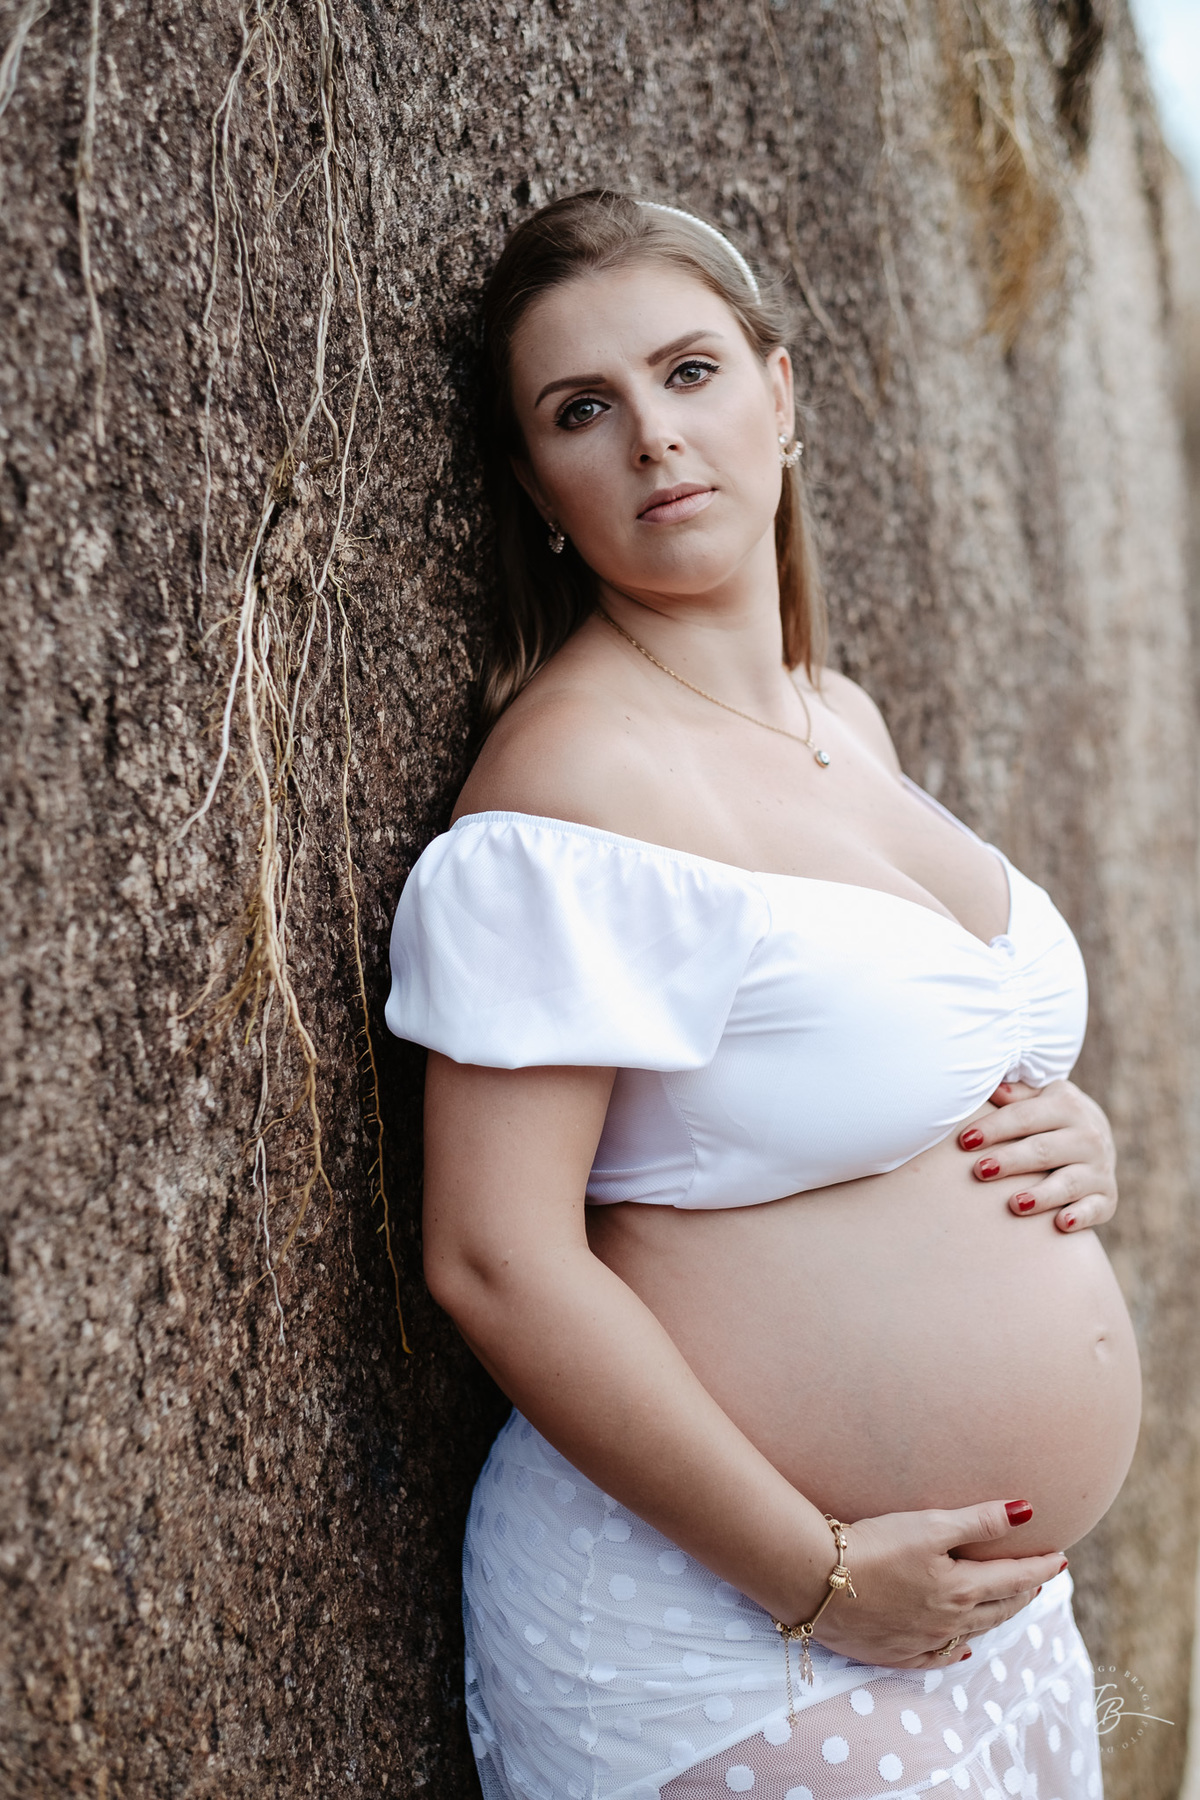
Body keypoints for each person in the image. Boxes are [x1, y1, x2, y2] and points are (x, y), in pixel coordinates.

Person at [385, 191, 1141, 1800]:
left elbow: (863, 1059)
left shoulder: (839, 717)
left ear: (781, 395)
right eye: (584, 410)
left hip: (978, 1622)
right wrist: (817, 1574)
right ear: (539, 486)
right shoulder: (572, 784)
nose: (655, 437)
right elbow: (494, 1256)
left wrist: (1069, 1134)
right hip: (732, 1629)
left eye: (690, 372)